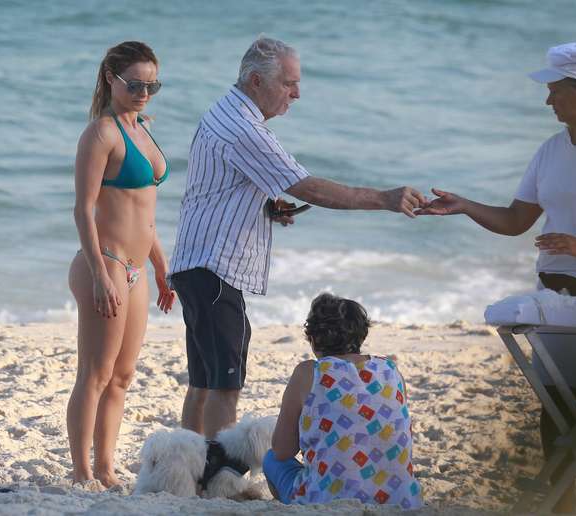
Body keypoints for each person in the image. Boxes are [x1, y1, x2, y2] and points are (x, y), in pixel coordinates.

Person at [417, 42, 576, 514]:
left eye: (554, 90)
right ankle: (561, 504)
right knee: (556, 407)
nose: (547, 100)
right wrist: (465, 206)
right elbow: (515, 220)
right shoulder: (550, 150)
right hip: (555, 295)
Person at [168, 36, 427, 440]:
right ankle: (216, 474)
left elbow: (220, 185)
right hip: (213, 266)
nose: (297, 93)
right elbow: (311, 189)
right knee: (225, 383)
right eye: (289, 83)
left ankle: (190, 469)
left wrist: (267, 206)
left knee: (204, 379)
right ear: (256, 81)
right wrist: (386, 198)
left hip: (195, 262)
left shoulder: (224, 111)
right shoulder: (244, 129)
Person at [67, 41, 176, 488]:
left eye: (152, 85)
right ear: (111, 78)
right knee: (94, 373)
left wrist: (162, 268)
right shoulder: (101, 134)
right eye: (135, 84)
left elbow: (144, 213)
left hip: (138, 268)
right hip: (105, 264)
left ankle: (107, 468)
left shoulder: (144, 128)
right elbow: (82, 209)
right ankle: (81, 471)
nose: (144, 92)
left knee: (122, 375)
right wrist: (98, 274)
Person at [263, 293, 423, 508]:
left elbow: (282, 450)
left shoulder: (309, 372)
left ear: (312, 338)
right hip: (402, 500)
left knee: (271, 460)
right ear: (361, 336)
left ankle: (294, 506)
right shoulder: (390, 369)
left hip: (329, 502)